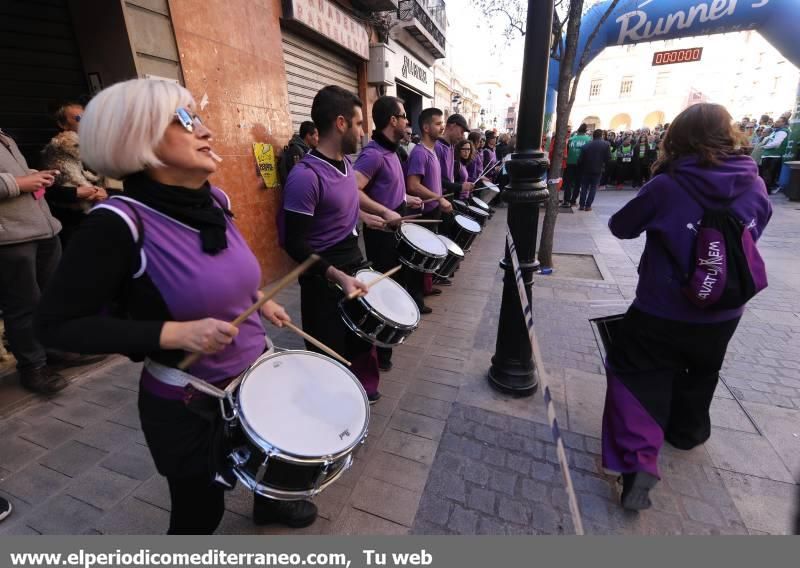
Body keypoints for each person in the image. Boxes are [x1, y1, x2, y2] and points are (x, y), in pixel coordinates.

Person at [35, 79, 317, 533]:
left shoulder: (217, 200)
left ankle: (269, 500)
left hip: (256, 378)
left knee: (276, 459)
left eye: (198, 116)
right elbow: (55, 326)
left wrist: (259, 301)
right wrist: (175, 334)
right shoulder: (117, 225)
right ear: (137, 140)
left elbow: (226, 274)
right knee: (199, 515)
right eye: (183, 120)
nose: (203, 130)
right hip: (190, 403)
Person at [602, 103, 772, 511]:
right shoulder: (756, 184)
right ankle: (687, 431)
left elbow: (621, 226)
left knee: (637, 375)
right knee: (702, 370)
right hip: (724, 312)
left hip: (662, 308)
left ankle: (639, 460)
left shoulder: (668, 185)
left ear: (677, 138)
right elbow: (754, 233)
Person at [281, 85, 379, 402]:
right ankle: (332, 416)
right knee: (330, 356)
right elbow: (292, 242)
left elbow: (339, 209)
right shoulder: (305, 176)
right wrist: (335, 275)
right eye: (359, 123)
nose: (364, 131)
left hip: (354, 261)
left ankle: (358, 399)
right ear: (341, 123)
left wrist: (366, 216)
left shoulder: (347, 164)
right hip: (323, 278)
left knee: (362, 340)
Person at [353, 95, 422, 371]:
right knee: (385, 292)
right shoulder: (372, 154)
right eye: (404, 116)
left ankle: (387, 345)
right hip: (382, 236)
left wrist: (405, 197)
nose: (407, 121)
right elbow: (353, 191)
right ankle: (381, 351)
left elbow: (385, 186)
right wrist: (383, 212)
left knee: (397, 287)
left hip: (396, 230)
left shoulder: (392, 152)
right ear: (392, 120)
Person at [0, 128, 69, 394]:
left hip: (43, 229)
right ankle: (33, 367)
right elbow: (11, 181)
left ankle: (56, 350)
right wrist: (18, 184)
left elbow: (15, 172)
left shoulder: (5, 134)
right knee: (23, 305)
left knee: (52, 297)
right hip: (11, 238)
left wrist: (34, 175)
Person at [41, 102, 109, 246]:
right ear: (62, 124)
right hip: (74, 219)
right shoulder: (56, 149)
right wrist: (82, 192)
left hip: (99, 211)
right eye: (79, 118)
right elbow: (50, 189)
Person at [405, 108, 450, 312]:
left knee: (428, 255)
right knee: (417, 259)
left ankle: (424, 289)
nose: (442, 126)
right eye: (438, 123)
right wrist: (438, 199)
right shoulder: (419, 153)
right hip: (424, 214)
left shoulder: (433, 150)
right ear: (425, 127)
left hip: (433, 211)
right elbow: (413, 185)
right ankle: (416, 300)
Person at [577, 129, 611, 211]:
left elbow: (580, 160)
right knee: (593, 188)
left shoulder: (586, 145)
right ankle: (588, 206)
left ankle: (581, 205)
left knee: (584, 187)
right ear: (601, 135)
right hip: (598, 169)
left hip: (586, 169)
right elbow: (608, 158)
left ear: (593, 135)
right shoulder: (606, 145)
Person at [562, 123, 591, 207]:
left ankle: (566, 200)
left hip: (570, 162)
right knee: (578, 183)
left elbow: (566, 150)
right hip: (581, 164)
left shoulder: (571, 139)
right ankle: (573, 200)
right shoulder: (588, 139)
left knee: (568, 182)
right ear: (585, 131)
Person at [758, 116, 789, 193]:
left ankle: (767, 191)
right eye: (776, 121)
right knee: (766, 175)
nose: (776, 122)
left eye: (778, 122)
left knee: (768, 176)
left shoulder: (783, 131)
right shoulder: (776, 131)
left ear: (783, 123)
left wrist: (764, 147)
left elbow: (776, 143)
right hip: (768, 155)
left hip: (773, 156)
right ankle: (765, 190)